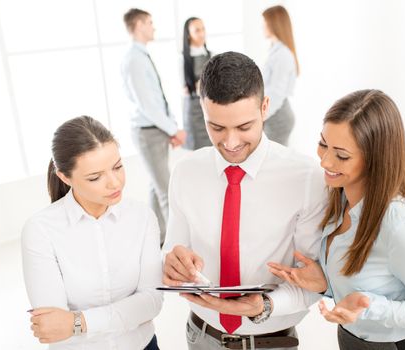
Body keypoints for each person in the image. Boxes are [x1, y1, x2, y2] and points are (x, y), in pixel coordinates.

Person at [268, 90, 405, 350]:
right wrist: (326, 284)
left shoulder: (402, 229)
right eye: (323, 144)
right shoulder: (339, 202)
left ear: (375, 159)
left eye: (342, 155)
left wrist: (371, 306)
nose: (325, 160)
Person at [162, 51, 327, 350]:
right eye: (217, 128)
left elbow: (315, 280)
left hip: (271, 342)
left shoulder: (306, 178)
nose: (231, 142)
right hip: (201, 337)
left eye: (243, 127)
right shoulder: (185, 172)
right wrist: (172, 263)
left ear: (265, 107)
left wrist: (264, 305)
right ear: (202, 110)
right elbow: (172, 249)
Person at [22, 116, 163, 350]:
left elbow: (151, 302)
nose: (114, 183)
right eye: (95, 177)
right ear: (65, 177)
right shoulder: (40, 230)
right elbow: (53, 326)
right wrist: (125, 314)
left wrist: (78, 322)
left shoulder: (142, 217)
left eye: (118, 167)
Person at [121, 8, 186, 244]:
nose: (153, 27)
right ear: (138, 25)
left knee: (155, 185)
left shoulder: (141, 56)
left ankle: (156, 237)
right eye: (149, 22)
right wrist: (173, 130)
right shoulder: (134, 59)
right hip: (148, 132)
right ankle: (176, 246)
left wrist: (170, 126)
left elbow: (156, 97)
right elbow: (148, 104)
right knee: (166, 190)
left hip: (155, 130)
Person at [261, 5, 299, 146]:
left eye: (264, 23)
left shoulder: (282, 54)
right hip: (274, 114)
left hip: (278, 117)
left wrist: (261, 116)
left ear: (273, 24)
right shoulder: (275, 50)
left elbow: (276, 93)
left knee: (275, 162)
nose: (262, 27)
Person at [181, 17, 212, 150]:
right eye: (197, 30)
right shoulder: (182, 58)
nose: (202, 33)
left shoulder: (211, 55)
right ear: (188, 35)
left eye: (203, 29)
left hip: (210, 110)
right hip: (194, 112)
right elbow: (184, 90)